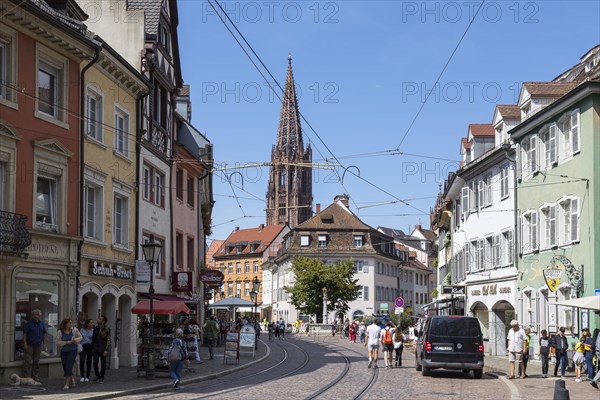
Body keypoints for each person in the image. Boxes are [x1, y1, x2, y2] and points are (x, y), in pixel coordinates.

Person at [55, 318, 82, 390]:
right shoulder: (60, 332)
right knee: (65, 366)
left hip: (72, 350)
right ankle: (72, 377)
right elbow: (57, 342)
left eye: (71, 323)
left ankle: (66, 384)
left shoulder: (74, 330)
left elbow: (80, 337)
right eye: (69, 323)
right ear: (65, 324)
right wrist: (66, 342)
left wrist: (75, 340)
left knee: (68, 366)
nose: (71, 324)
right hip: (64, 351)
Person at [22, 309, 46, 382]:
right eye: (34, 314)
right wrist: (25, 344)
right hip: (29, 345)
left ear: (40, 316)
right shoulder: (28, 323)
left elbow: (44, 334)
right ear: (32, 316)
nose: (36, 316)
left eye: (37, 315)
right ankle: (26, 377)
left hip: (38, 345)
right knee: (28, 361)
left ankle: (35, 377)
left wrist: (44, 344)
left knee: (36, 361)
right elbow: (24, 334)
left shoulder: (42, 323)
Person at [91, 315, 111, 383]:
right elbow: (93, 339)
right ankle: (97, 375)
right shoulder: (95, 328)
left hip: (103, 348)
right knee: (95, 362)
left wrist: (106, 350)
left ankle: (102, 376)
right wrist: (93, 347)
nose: (98, 320)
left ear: (103, 321)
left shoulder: (107, 329)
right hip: (96, 348)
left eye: (100, 319)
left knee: (103, 364)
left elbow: (108, 340)